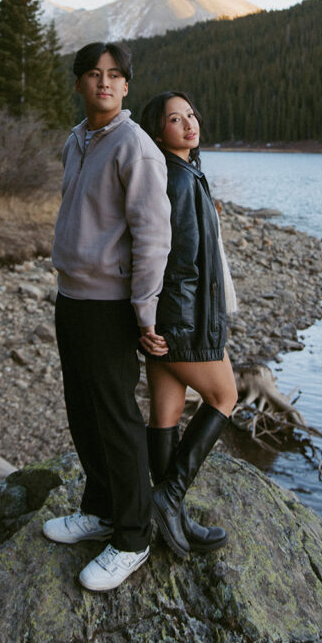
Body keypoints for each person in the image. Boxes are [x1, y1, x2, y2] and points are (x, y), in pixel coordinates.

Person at [43, 41, 172, 591]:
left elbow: (153, 234)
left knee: (117, 416)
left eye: (114, 76)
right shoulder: (78, 139)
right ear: (79, 84)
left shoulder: (136, 147)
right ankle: (98, 511)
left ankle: (133, 536)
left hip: (111, 306)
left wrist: (144, 313)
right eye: (94, 74)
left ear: (126, 87)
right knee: (82, 409)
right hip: (71, 298)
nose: (104, 83)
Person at [138, 90, 238, 559]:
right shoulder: (175, 179)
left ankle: (169, 516)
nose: (189, 124)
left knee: (166, 414)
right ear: (159, 132)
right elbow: (180, 263)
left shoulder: (183, 172)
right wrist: (185, 326)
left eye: (191, 115)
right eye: (175, 120)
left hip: (165, 316)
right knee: (225, 396)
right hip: (181, 320)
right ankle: (170, 495)